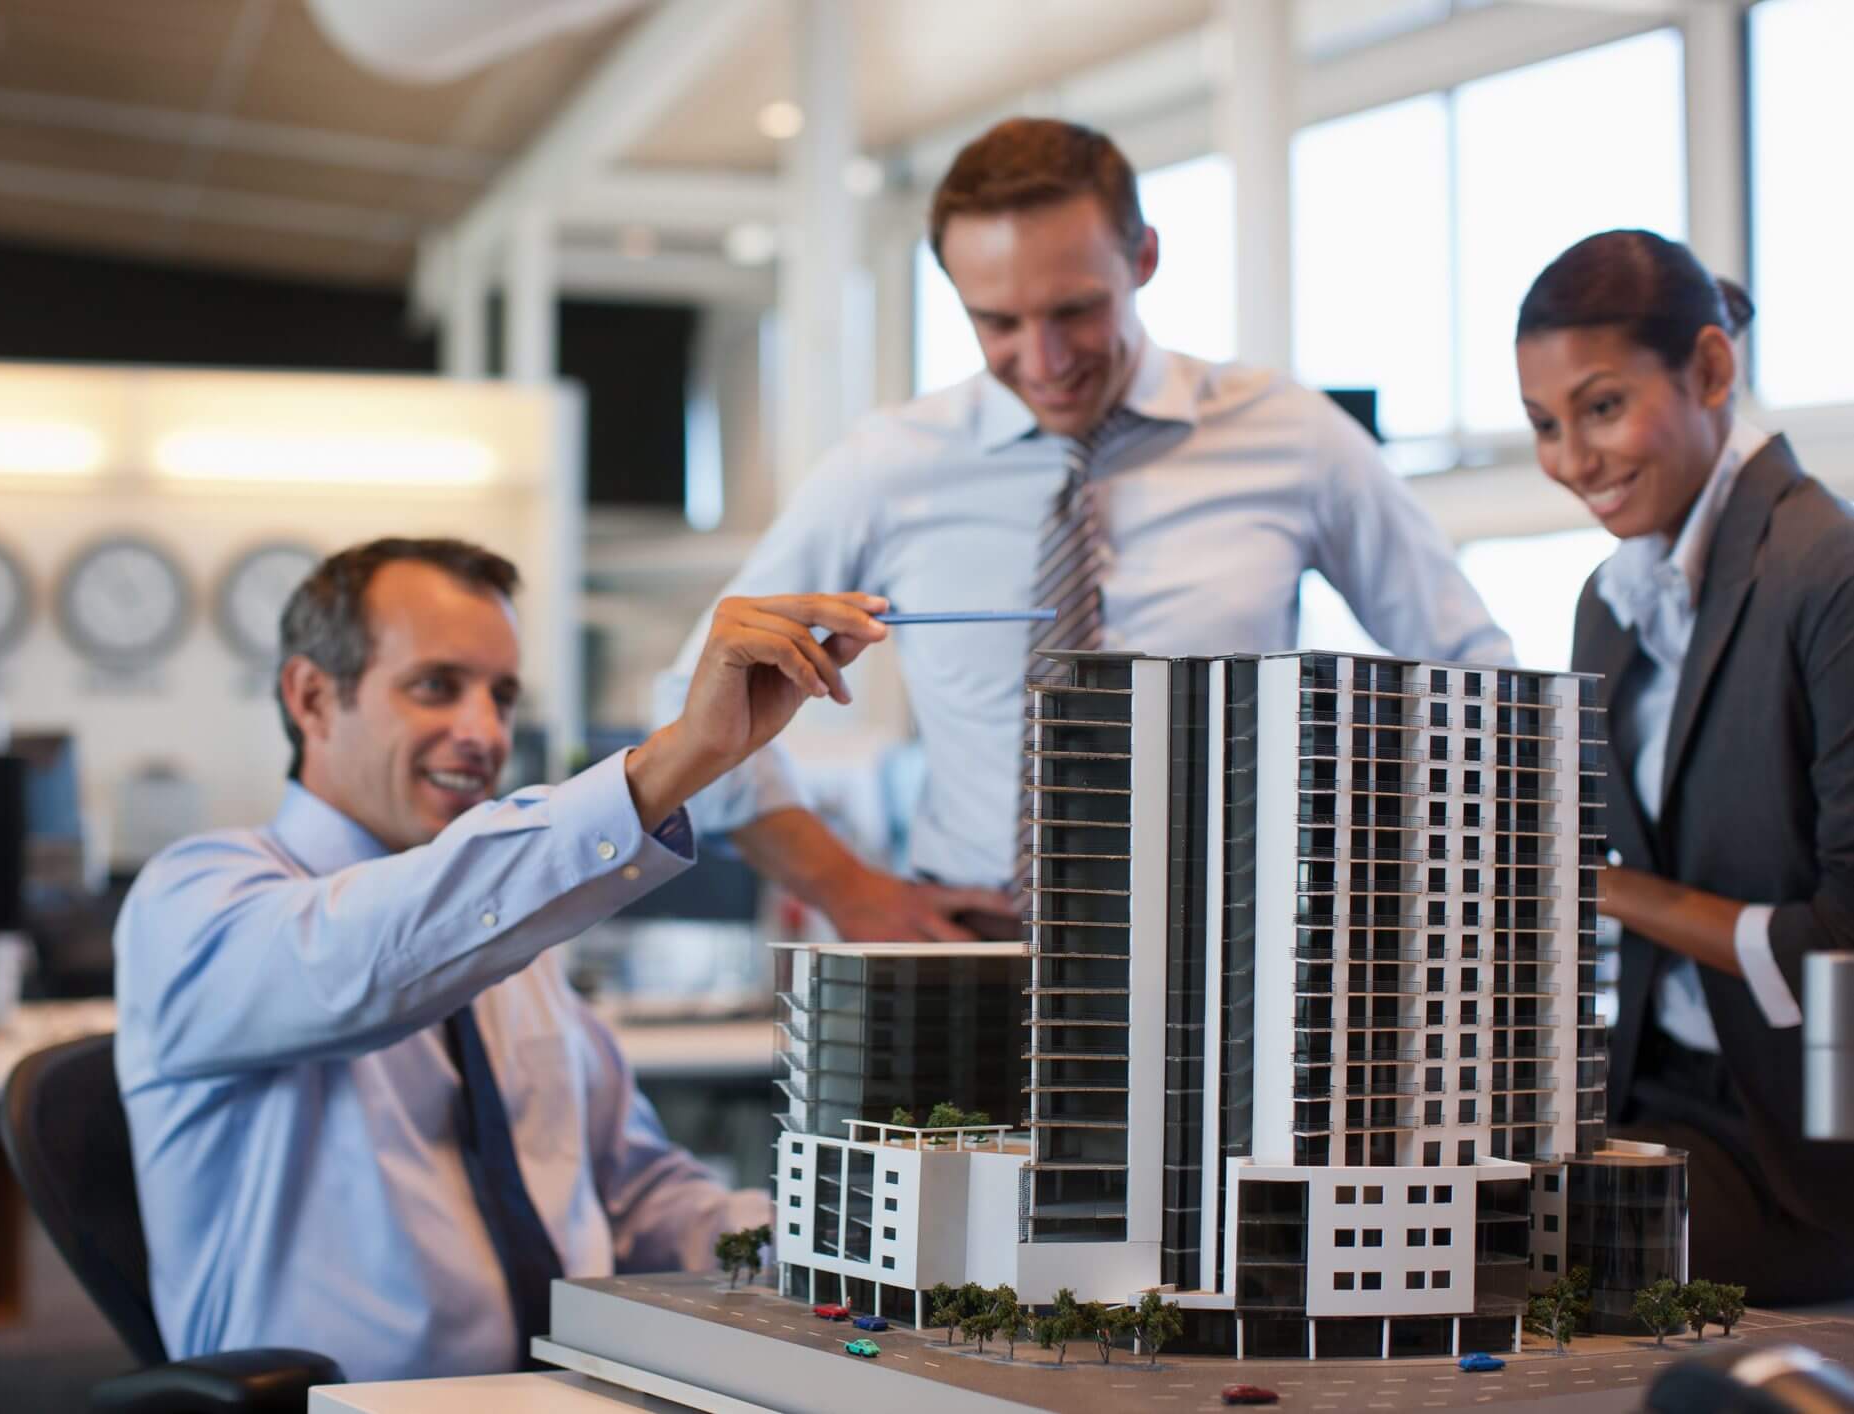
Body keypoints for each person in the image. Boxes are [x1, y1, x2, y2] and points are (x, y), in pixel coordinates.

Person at [657, 117, 1512, 941]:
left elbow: (1480, 683)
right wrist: (844, 886)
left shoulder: (1291, 434)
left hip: (1233, 951)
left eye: (1073, 310)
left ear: (1142, 257)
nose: (1045, 360)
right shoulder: (888, 464)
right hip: (974, 942)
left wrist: (1384, 875)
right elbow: (692, 695)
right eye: (997, 322)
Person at [114, 537, 889, 1380]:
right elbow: (371, 957)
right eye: (436, 687)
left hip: (575, 1392)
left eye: (503, 695)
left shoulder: (513, 939)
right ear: (310, 697)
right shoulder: (195, 899)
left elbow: (634, 1196)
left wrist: (840, 1241)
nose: (483, 732)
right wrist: (679, 758)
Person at [1519, 229, 1854, 1302]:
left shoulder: (1828, 573)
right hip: (1654, 1100)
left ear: (1712, 370)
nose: (1574, 462)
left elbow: (1846, 941)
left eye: (1603, 408)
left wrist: (1601, 885)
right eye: (1543, 426)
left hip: (1811, 1139)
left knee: (1528, 1256)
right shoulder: (1609, 603)